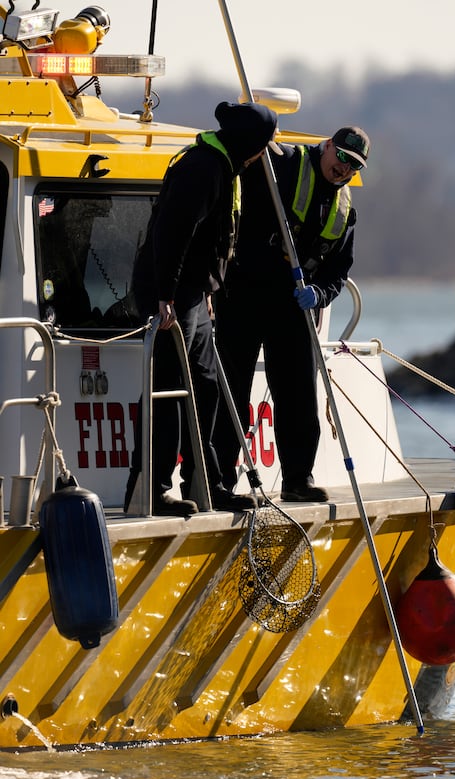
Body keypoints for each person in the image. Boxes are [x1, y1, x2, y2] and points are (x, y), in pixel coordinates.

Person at [124, 101, 282, 516]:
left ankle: (207, 483)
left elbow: (209, 240)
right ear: (250, 143)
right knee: (166, 389)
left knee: (207, 385)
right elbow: (171, 233)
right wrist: (165, 294)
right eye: (263, 146)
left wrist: (206, 291)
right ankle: (150, 489)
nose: (263, 155)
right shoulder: (204, 168)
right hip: (170, 294)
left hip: (192, 293)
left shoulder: (223, 165)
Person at [213, 125, 370, 502]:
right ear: (328, 146)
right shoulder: (279, 163)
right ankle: (218, 480)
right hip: (245, 293)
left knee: (299, 393)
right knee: (231, 388)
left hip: (293, 304)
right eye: (341, 158)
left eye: (353, 166)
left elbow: (338, 272)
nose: (344, 168)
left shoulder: (345, 211)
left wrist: (319, 294)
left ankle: (298, 478)